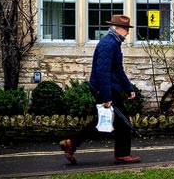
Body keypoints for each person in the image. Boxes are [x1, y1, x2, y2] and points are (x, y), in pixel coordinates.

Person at [60, 15, 141, 165]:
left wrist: (129, 88)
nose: (127, 33)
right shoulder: (108, 44)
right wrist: (106, 97)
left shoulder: (114, 43)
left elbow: (118, 70)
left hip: (110, 87)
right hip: (106, 88)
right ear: (117, 29)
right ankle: (122, 155)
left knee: (106, 121)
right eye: (125, 30)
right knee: (121, 123)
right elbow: (102, 72)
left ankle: (71, 143)